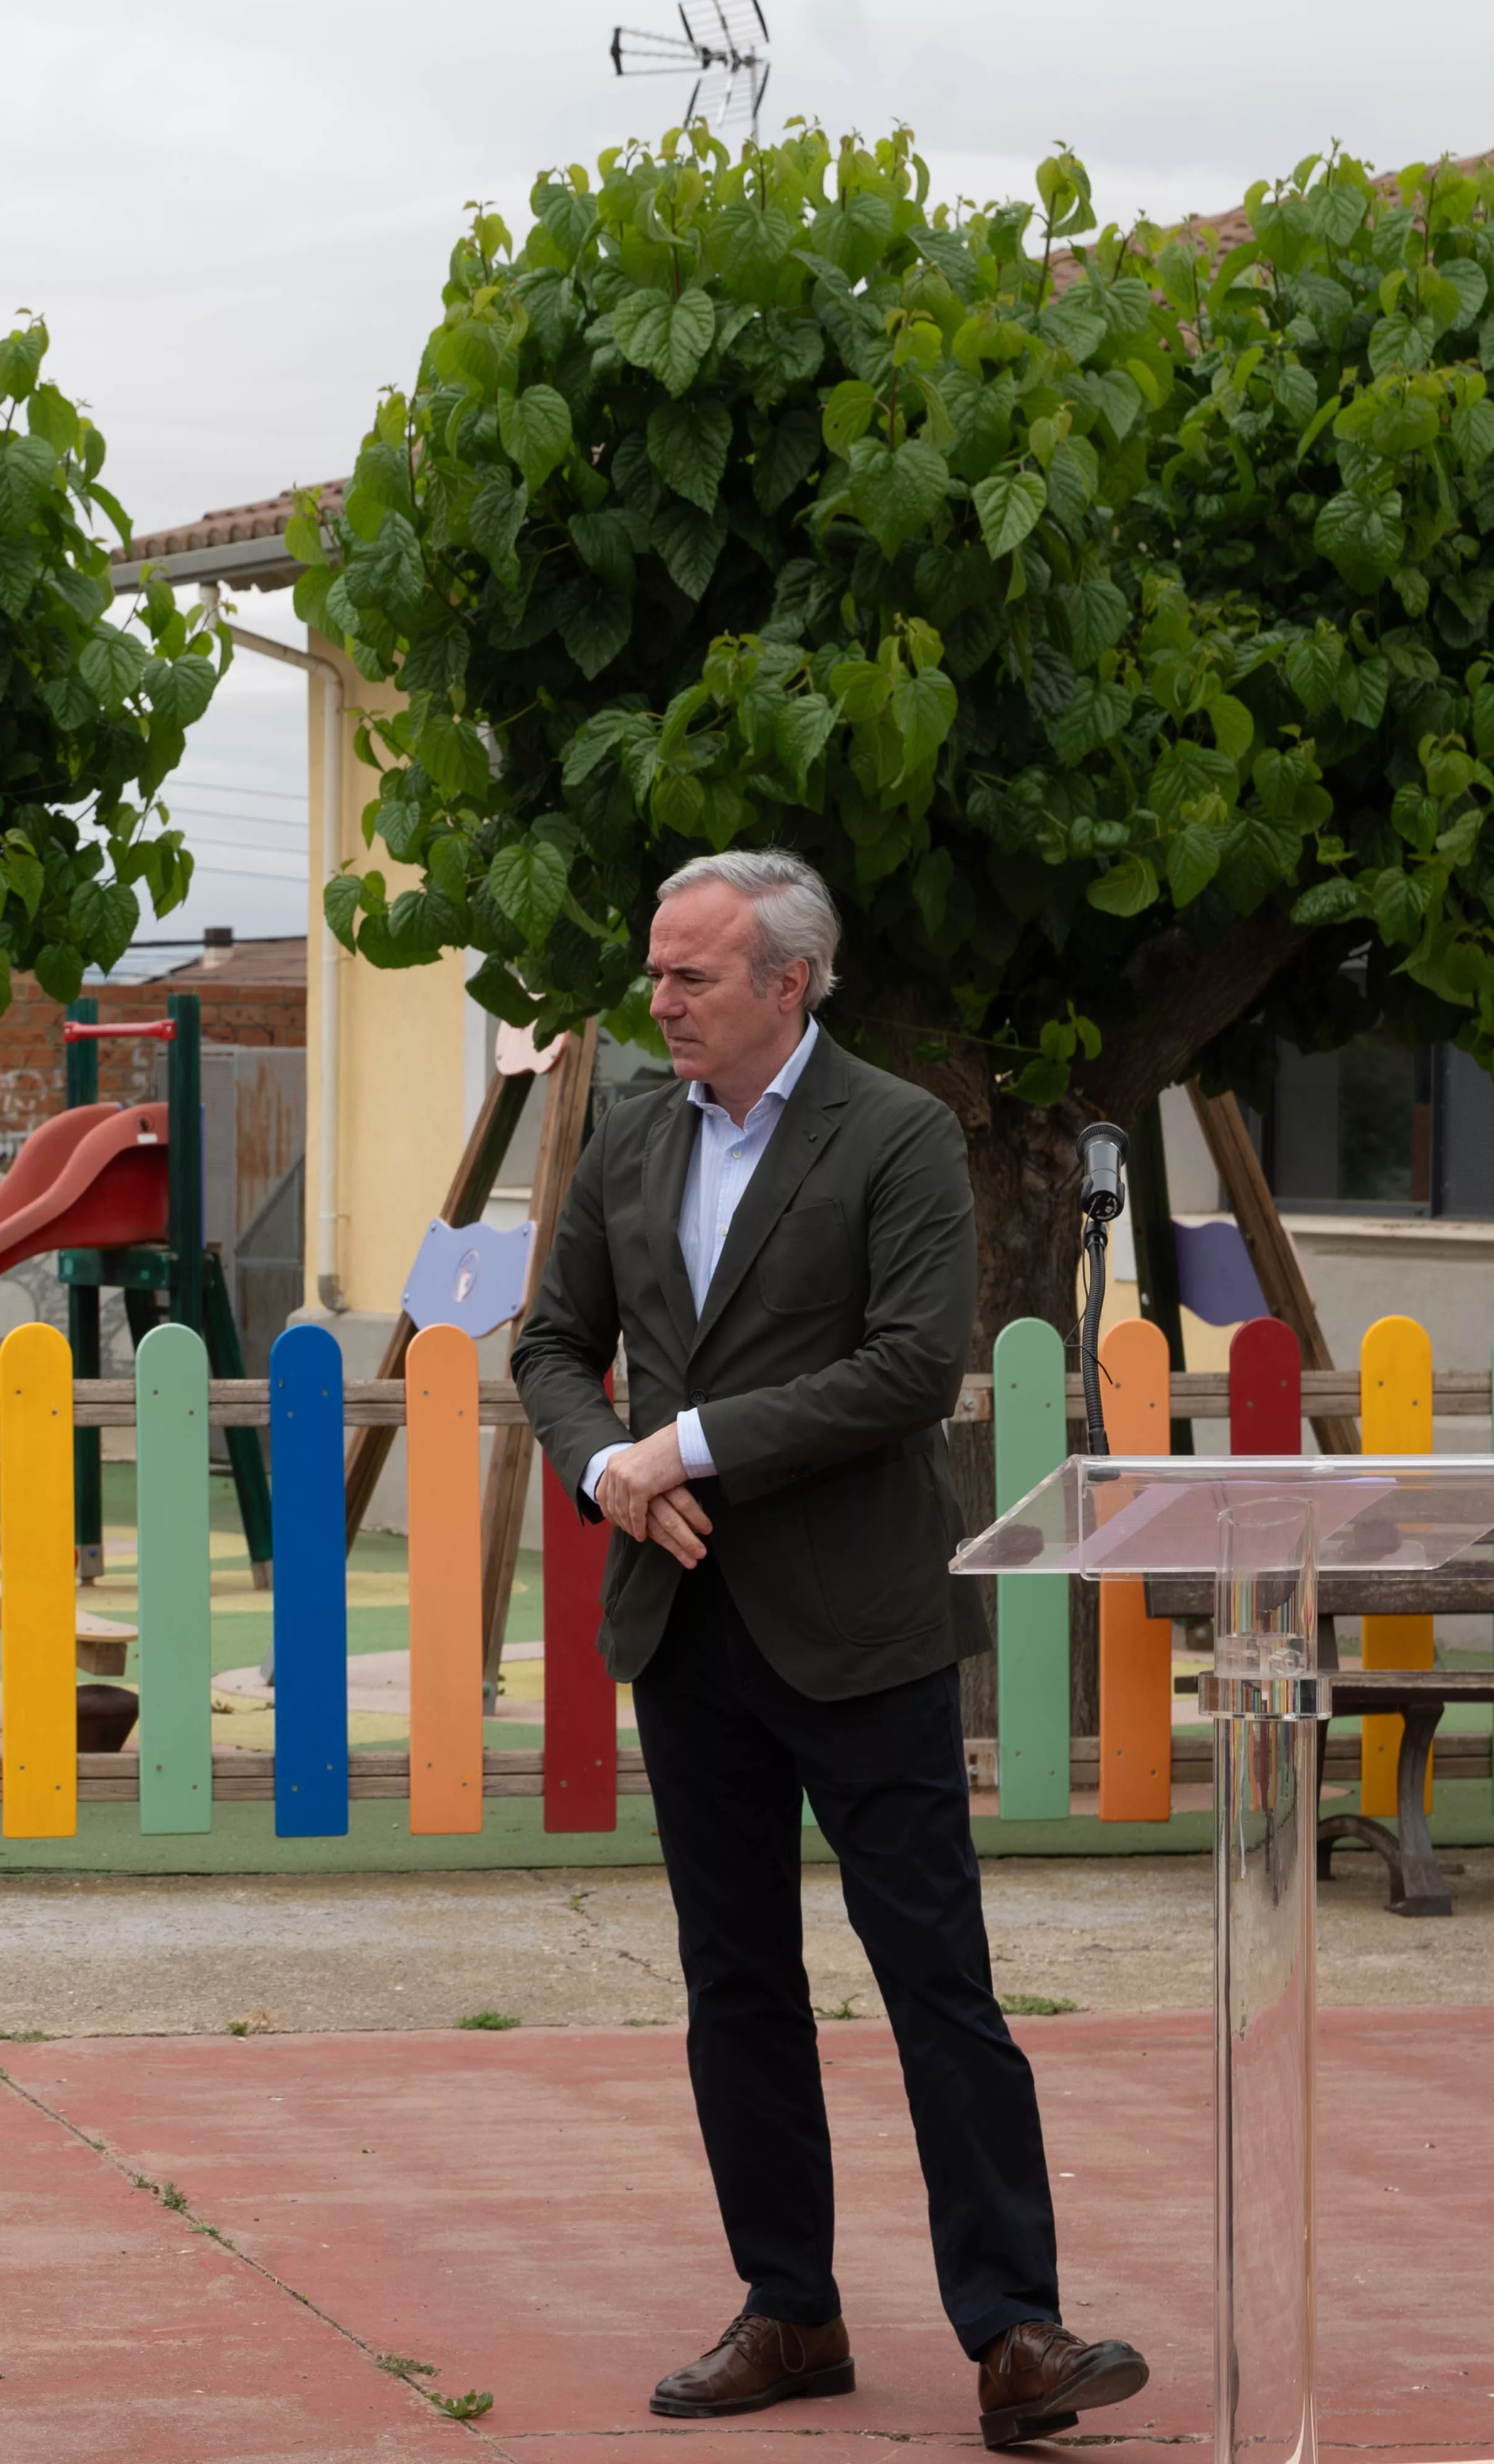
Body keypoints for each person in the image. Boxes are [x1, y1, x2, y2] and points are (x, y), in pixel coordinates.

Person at [509, 848, 1150, 2449]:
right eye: (656, 973)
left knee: (937, 1978)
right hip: (688, 1623)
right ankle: (788, 2308)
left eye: (694, 978)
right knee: (738, 1987)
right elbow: (548, 1345)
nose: (660, 1004)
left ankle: (1014, 2334)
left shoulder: (900, 1133)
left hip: (862, 1632)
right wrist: (611, 1469)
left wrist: (689, 1447)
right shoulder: (633, 1128)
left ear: (790, 982)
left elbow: (910, 1368)